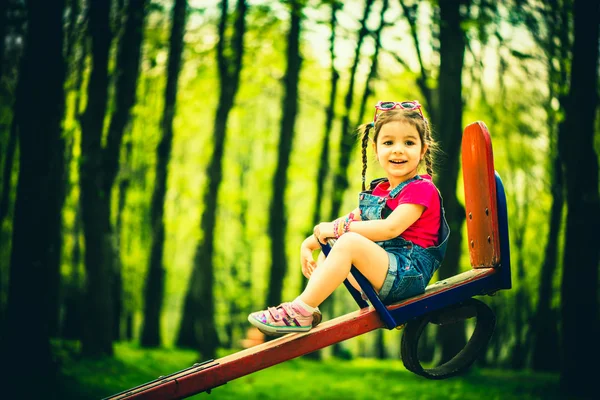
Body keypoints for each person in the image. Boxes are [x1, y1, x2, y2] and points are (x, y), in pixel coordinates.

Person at [248, 100, 450, 335]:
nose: (398, 149)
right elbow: (345, 221)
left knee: (348, 241)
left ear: (423, 149)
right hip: (385, 274)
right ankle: (307, 307)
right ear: (375, 149)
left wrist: (337, 230)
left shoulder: (421, 190)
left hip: (407, 275)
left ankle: (299, 311)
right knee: (337, 241)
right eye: (388, 142)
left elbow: (389, 229)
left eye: (409, 142)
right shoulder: (380, 192)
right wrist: (310, 243)